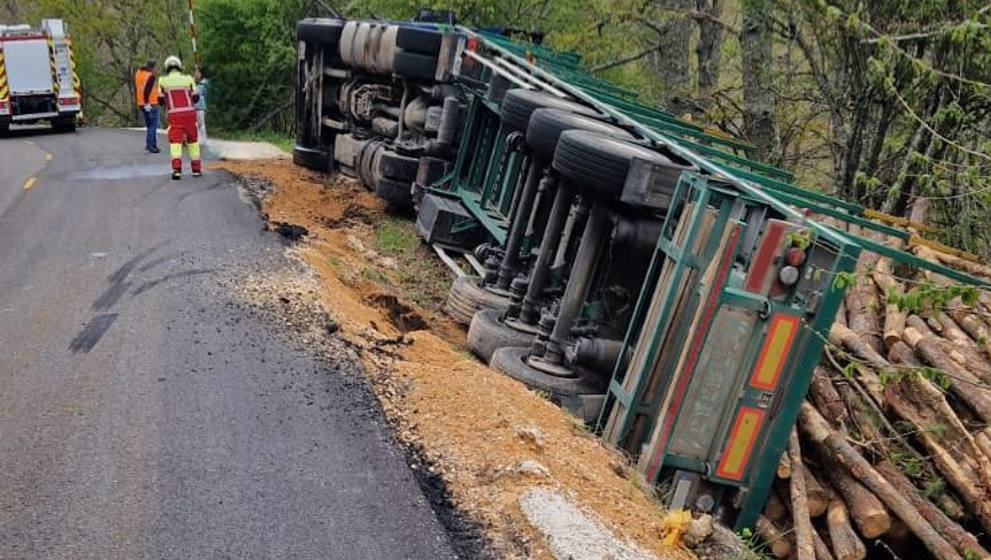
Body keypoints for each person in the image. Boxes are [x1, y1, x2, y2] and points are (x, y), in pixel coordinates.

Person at [157, 56, 202, 180]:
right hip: (189, 114)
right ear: (179, 67)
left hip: (174, 115)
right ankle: (196, 169)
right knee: (193, 141)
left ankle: (177, 170)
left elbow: (160, 100)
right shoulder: (188, 79)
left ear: (167, 68)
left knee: (175, 142)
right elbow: (196, 98)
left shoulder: (162, 81)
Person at [134, 59, 160, 153]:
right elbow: (147, 90)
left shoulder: (138, 74)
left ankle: (151, 144)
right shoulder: (150, 76)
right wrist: (147, 103)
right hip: (150, 102)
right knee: (153, 124)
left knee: (149, 124)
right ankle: (151, 145)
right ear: (153, 67)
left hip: (141, 102)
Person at [194, 67, 208, 148]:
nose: (196, 74)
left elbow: (205, 95)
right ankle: (197, 140)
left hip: (201, 107)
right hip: (194, 107)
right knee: (195, 124)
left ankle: (204, 140)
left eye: (197, 73)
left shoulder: (203, 84)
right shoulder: (193, 84)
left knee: (201, 124)